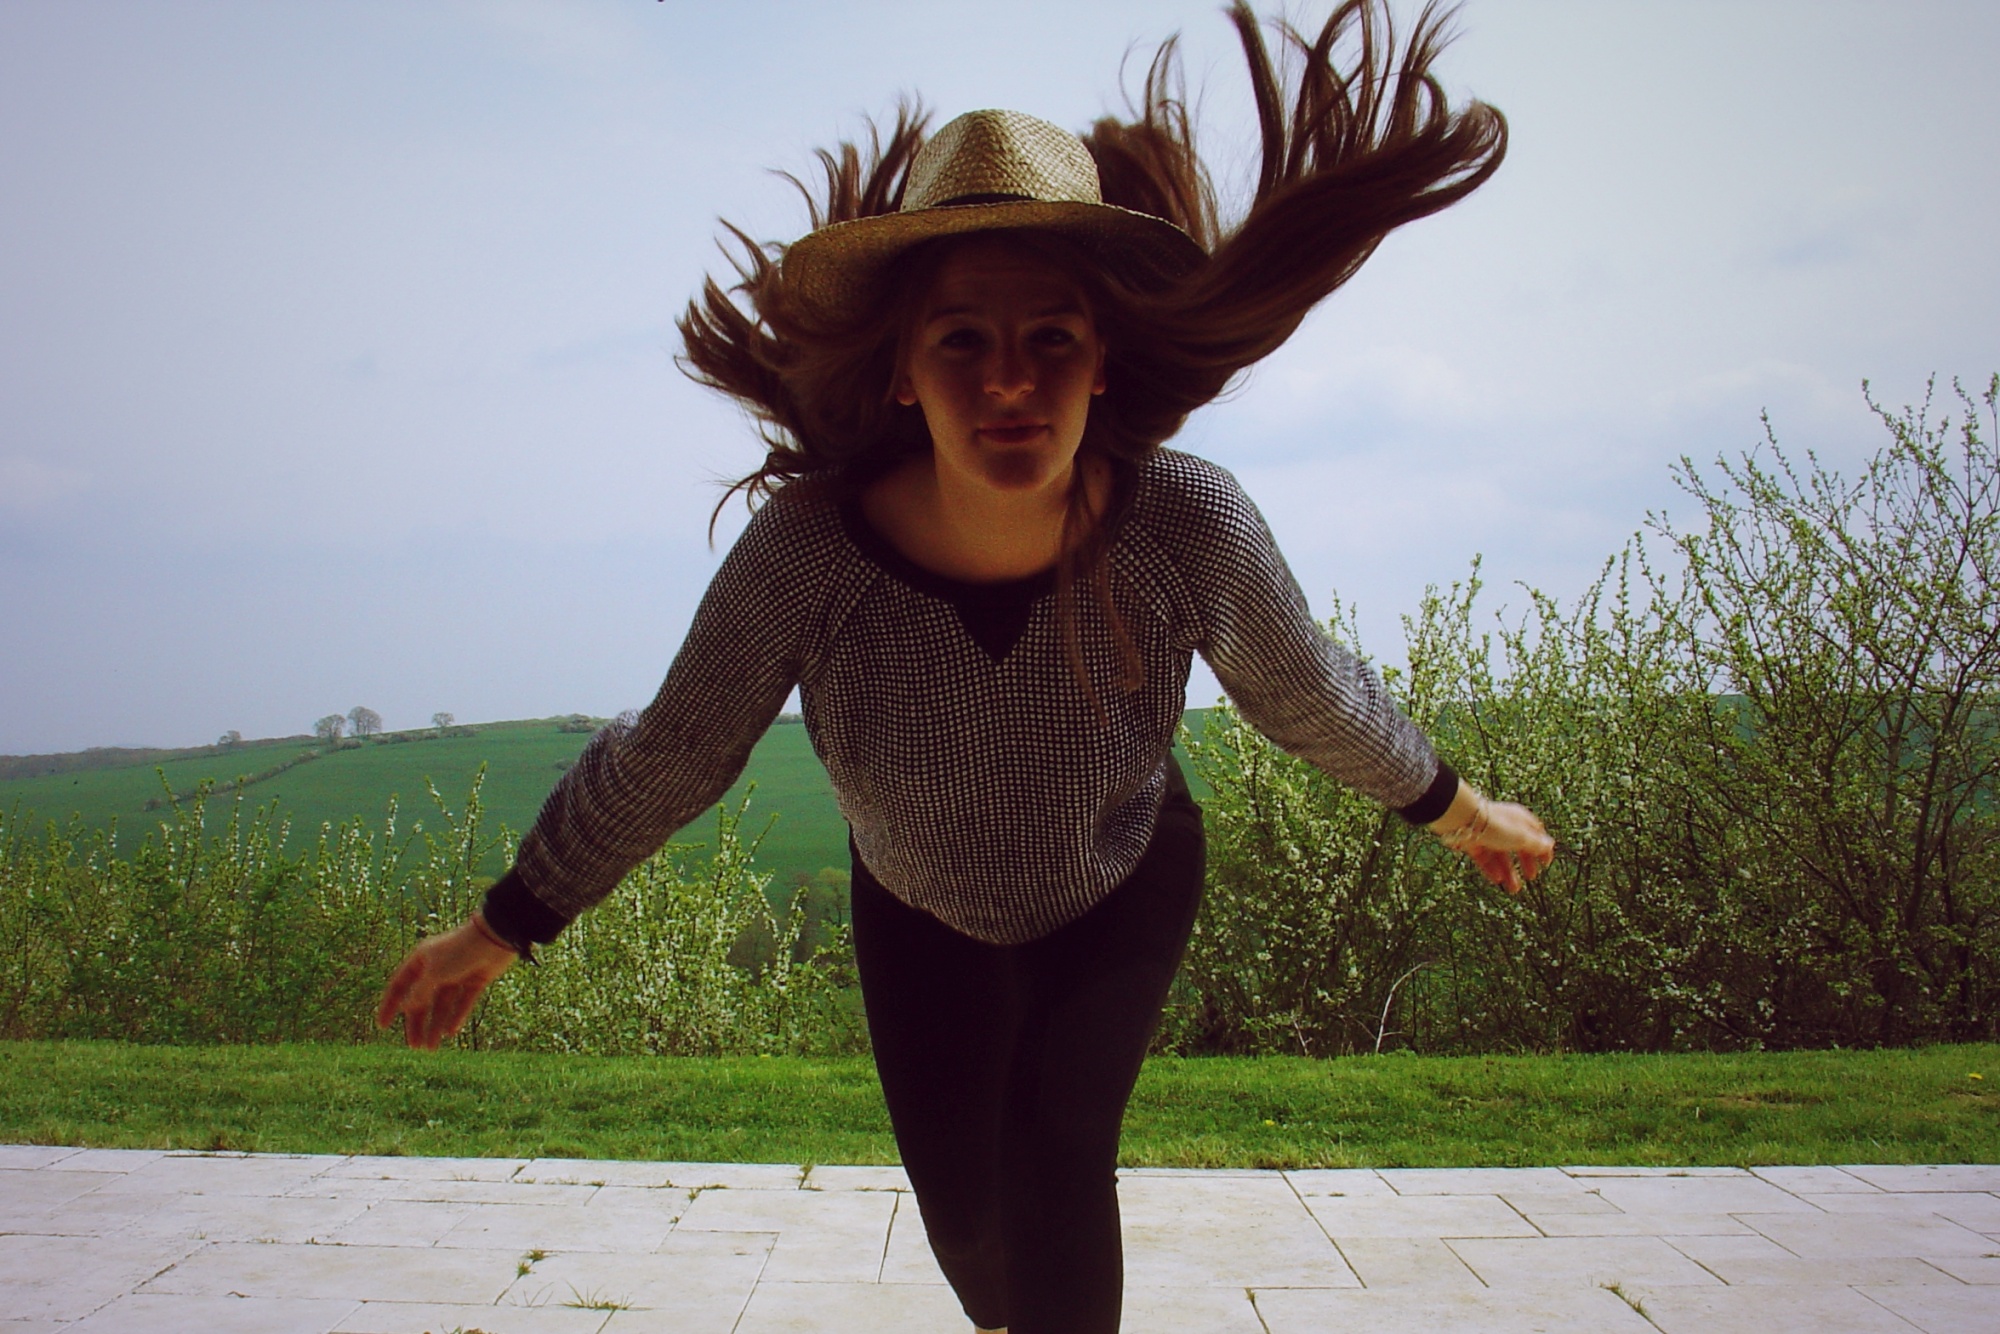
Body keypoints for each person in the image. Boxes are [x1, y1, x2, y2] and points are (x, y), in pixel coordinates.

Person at [376, 3, 1554, 1330]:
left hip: (1118, 876)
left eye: (1052, 338)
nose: (1009, 383)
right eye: (961, 342)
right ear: (900, 371)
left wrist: (1459, 811)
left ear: (1101, 361)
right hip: (917, 908)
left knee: (1058, 1161)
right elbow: (675, 752)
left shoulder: (1187, 526)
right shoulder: (809, 556)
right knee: (974, 1239)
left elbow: (1309, 691)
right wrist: (504, 923)